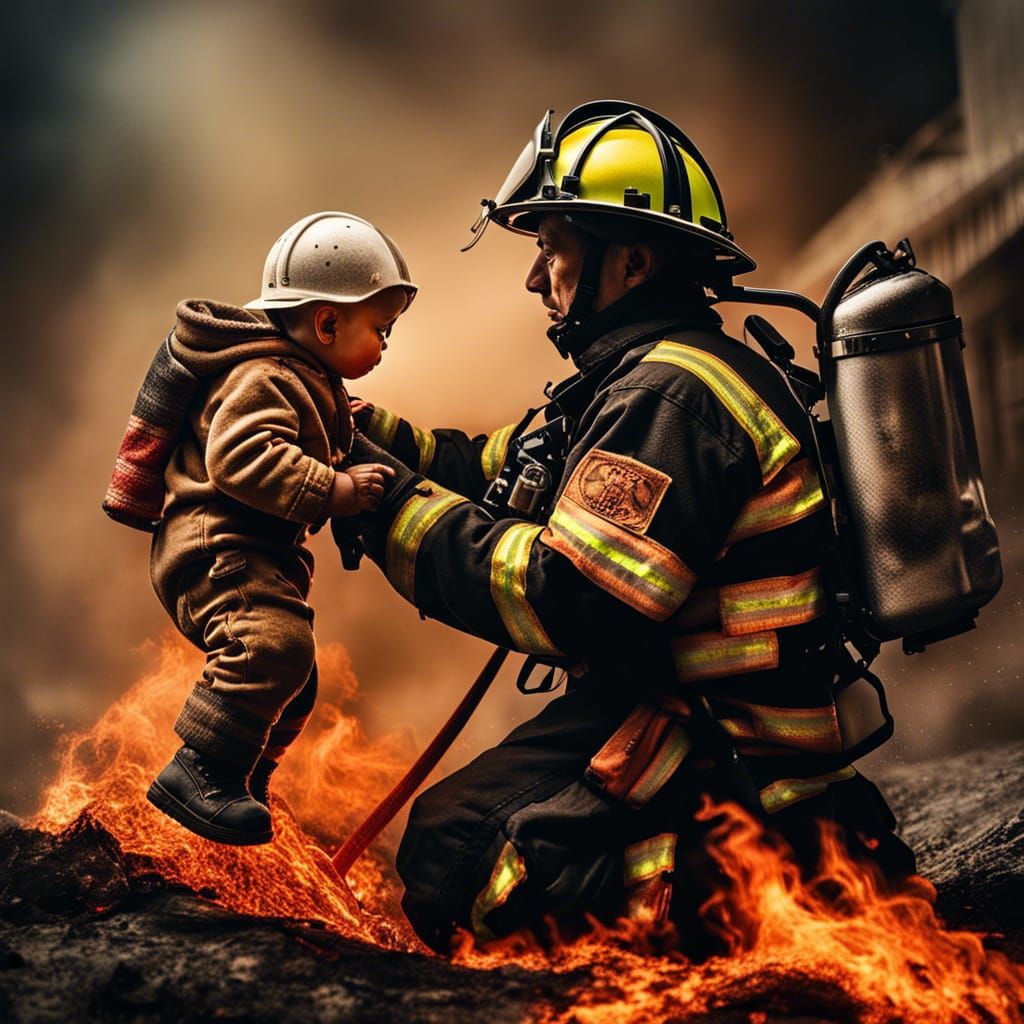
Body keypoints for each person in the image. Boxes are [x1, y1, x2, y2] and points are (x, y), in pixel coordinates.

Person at [340, 103, 915, 952]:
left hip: (734, 760)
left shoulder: (667, 399)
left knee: (458, 856)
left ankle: (746, 898)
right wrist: (344, 425)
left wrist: (383, 506)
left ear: (632, 260)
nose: (538, 280)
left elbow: (572, 600)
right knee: (453, 830)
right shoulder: (649, 379)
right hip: (697, 725)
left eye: (553, 249)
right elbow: (485, 470)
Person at [105, 211, 415, 845]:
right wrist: (335, 489)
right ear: (327, 322)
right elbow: (241, 457)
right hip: (215, 551)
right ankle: (198, 771)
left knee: (295, 678)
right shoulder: (264, 376)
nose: (386, 346)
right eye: (381, 330)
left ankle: (241, 779)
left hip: (247, 555)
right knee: (274, 648)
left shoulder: (303, 376)